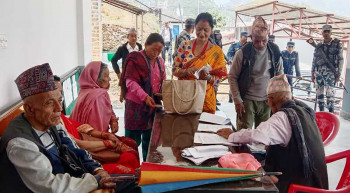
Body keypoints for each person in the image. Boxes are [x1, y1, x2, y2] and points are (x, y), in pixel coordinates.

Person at [0, 63, 137, 193]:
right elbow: (51, 187)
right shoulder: (20, 144)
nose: (59, 108)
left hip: (75, 182)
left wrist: (97, 170)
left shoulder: (51, 123)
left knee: (138, 182)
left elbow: (75, 149)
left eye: (59, 100)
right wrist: (96, 180)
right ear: (29, 109)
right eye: (49, 103)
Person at [218, 75, 328, 193]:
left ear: (270, 99)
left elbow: (256, 135)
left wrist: (232, 135)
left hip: (298, 185)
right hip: (316, 182)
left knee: (243, 178)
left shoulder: (283, 117)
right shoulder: (305, 110)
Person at [54, 76, 139, 174]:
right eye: (106, 75)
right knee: (129, 157)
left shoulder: (102, 94)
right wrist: (108, 142)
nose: (109, 79)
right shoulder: (94, 97)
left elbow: (79, 126)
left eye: (61, 92)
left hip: (90, 140)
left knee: (130, 144)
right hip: (85, 151)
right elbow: (76, 143)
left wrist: (106, 134)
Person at [228, 16, 283, 130]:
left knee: (263, 137)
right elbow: (232, 77)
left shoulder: (275, 51)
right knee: (243, 136)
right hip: (246, 101)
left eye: (264, 40)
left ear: (268, 36)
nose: (261, 44)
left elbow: (280, 77)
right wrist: (237, 100)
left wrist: (278, 100)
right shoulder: (242, 53)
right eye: (257, 41)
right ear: (251, 37)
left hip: (267, 101)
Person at [121, 33, 166, 161]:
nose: (156, 53)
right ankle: (131, 168)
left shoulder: (160, 61)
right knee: (131, 143)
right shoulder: (135, 58)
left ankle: (148, 167)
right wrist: (145, 96)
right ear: (146, 45)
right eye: (153, 49)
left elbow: (163, 80)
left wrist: (164, 93)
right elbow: (130, 82)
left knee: (150, 140)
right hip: (135, 106)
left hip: (153, 106)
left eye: (160, 51)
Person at [173, 12, 228, 114]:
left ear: (211, 30)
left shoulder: (216, 52)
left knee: (204, 129)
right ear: (194, 28)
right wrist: (186, 71)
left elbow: (219, 79)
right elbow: (174, 70)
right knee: (182, 128)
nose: (202, 33)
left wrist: (208, 77)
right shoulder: (184, 45)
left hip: (205, 100)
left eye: (206, 30)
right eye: (199, 29)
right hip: (184, 96)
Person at [71, 61, 119, 134]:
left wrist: (113, 119)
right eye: (106, 76)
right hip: (93, 140)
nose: (109, 79)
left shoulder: (85, 90)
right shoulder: (96, 98)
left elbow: (109, 108)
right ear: (96, 78)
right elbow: (95, 132)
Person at [312, 24, 343, 113]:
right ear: (322, 33)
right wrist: (312, 73)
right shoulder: (318, 46)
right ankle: (321, 113)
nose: (326, 33)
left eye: (328, 31)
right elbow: (314, 60)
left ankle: (330, 113)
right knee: (319, 94)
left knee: (330, 94)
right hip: (318, 73)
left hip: (330, 73)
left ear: (331, 32)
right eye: (324, 31)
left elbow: (341, 60)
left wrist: (338, 74)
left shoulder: (337, 45)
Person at [226, 31, 249, 103]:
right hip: (234, 66)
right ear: (241, 37)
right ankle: (231, 94)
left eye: (247, 37)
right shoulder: (234, 46)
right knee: (233, 80)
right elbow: (229, 54)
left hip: (243, 68)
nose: (246, 38)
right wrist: (230, 60)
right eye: (245, 37)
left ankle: (238, 96)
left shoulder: (248, 46)